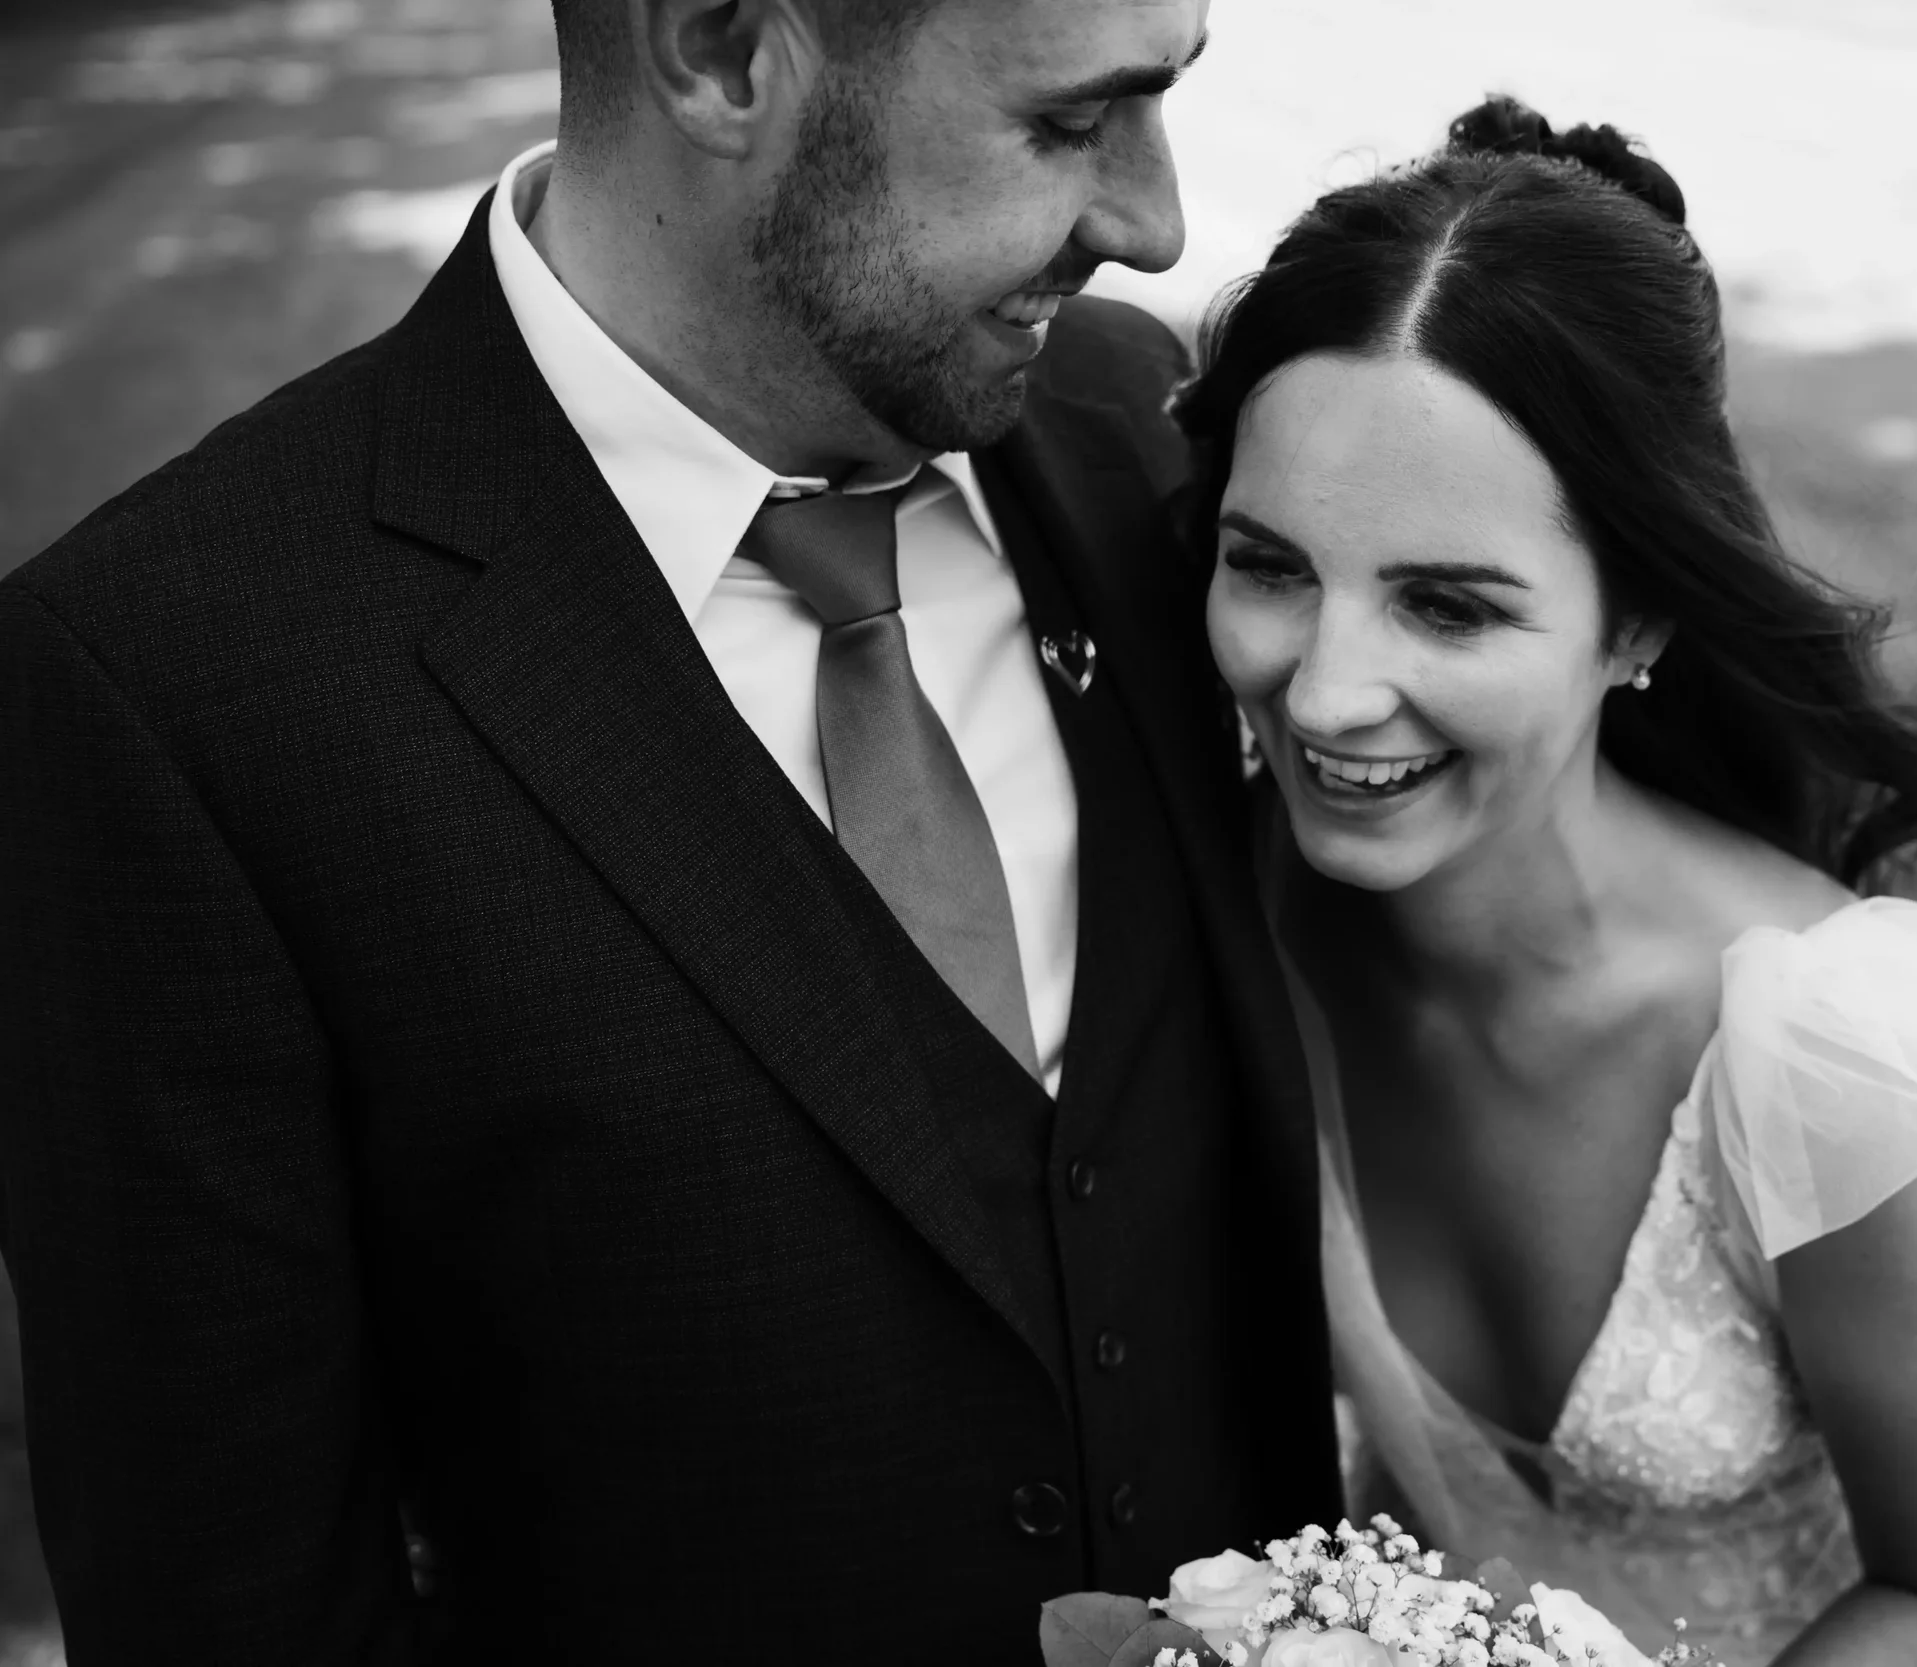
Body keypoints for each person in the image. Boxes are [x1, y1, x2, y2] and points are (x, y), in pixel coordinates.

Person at [0, 0, 1339, 1657]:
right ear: (717, 53)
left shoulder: (1154, 440)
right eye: (1070, 126)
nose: (1156, 226)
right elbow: (230, 1596)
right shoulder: (179, 679)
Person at [1177, 98, 1917, 1667]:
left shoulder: (1817, 1049)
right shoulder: (1217, 914)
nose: (1330, 693)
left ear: (1639, 625)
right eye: (1271, 567)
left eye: (1450, 608)